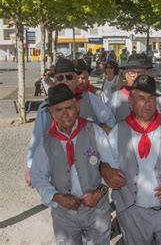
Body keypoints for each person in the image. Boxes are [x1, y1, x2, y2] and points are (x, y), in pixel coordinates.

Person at [99, 74, 161, 244]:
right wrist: (106, 170)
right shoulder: (118, 132)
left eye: (151, 98)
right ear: (130, 101)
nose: (148, 103)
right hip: (133, 212)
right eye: (141, 98)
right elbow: (106, 164)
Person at [30, 84, 112, 244]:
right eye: (58, 110)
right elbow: (37, 176)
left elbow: (112, 164)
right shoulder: (46, 142)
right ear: (52, 113)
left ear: (77, 107)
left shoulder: (94, 131)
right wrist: (56, 196)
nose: (65, 114)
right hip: (64, 214)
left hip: (97, 210)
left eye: (69, 108)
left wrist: (100, 191)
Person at [25, 58, 116, 186]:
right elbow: (37, 136)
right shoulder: (45, 106)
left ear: (75, 78)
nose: (65, 81)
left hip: (88, 162)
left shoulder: (91, 98)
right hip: (57, 161)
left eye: (69, 76)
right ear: (55, 81)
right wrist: (30, 166)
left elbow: (110, 123)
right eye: (60, 78)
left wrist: (96, 130)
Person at [106, 53, 161, 122]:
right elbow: (107, 123)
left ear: (147, 74)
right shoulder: (116, 97)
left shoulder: (157, 94)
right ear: (125, 74)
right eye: (132, 72)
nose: (136, 76)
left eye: (140, 72)